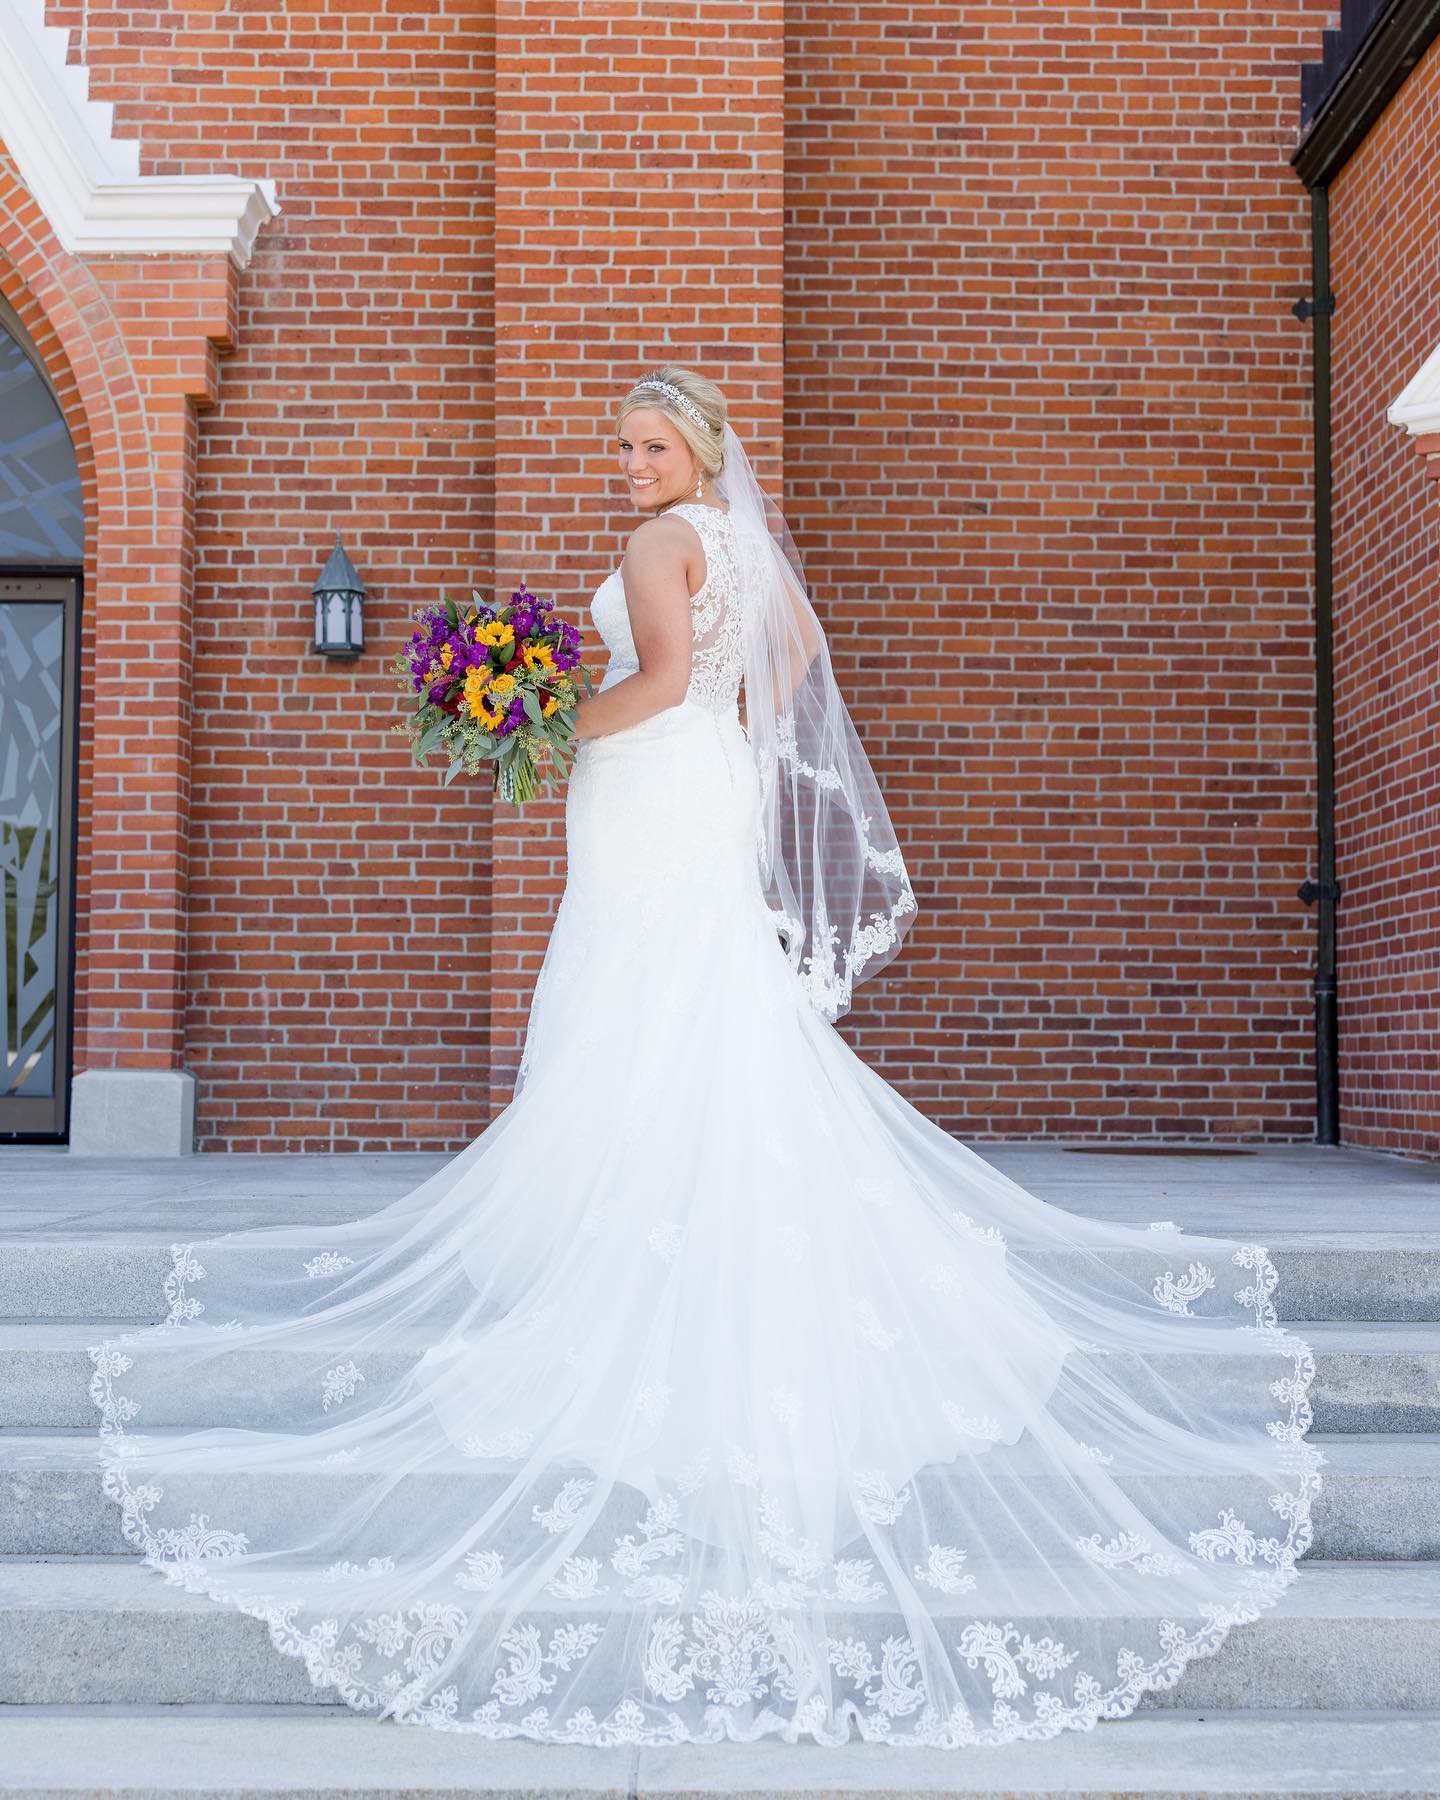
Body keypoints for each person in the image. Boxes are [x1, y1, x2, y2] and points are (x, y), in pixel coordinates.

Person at [85, 366, 1322, 1749]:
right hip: (704, 788)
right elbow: (780, 657)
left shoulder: (654, 544)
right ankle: (680, 1224)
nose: (628, 462)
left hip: (658, 791)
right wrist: (689, 727)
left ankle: (642, 1248)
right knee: (698, 1009)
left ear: (698, 451)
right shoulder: (737, 544)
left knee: (642, 1003)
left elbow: (663, 678)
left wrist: (543, 721)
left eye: (650, 444)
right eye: (620, 444)